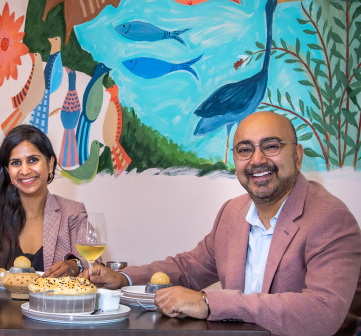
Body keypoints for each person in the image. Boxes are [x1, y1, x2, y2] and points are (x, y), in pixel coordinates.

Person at [85, 112, 361, 336]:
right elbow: (188, 269)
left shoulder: (330, 218)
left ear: (298, 156)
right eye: (244, 150)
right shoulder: (232, 212)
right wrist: (125, 278)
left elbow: (323, 313)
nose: (257, 159)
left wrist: (208, 302)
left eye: (272, 146)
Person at [0, 125, 88, 282]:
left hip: (52, 305)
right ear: (7, 170)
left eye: (33, 160)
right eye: (16, 163)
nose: (24, 171)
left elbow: (93, 263)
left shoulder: (73, 213)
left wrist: (75, 265)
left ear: (50, 164)